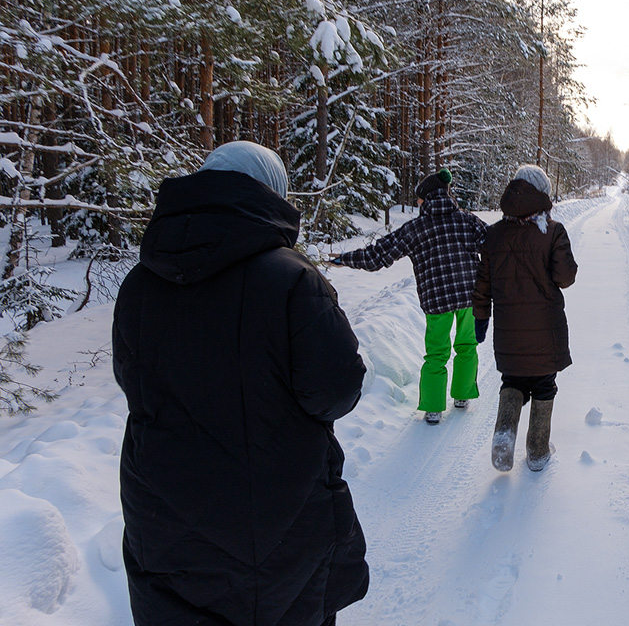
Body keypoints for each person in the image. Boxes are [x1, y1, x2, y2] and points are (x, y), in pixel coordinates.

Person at [112, 141, 369, 626]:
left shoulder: (139, 284)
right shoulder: (291, 279)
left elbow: (134, 382)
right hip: (275, 527)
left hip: (163, 523)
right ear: (270, 195)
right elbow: (336, 390)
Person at [331, 168, 487, 424]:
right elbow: (494, 246)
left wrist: (344, 259)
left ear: (426, 198)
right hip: (471, 296)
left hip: (437, 300)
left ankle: (434, 408)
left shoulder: (416, 228)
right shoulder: (467, 220)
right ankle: (462, 395)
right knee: (467, 346)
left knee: (437, 353)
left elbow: (378, 255)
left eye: (418, 198)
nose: (416, 202)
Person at [473, 164, 578, 472]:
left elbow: (483, 282)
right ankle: (537, 450)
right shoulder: (552, 231)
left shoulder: (494, 234)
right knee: (544, 384)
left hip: (508, 329)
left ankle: (504, 434)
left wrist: (480, 317)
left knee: (513, 381)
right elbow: (565, 277)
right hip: (546, 328)